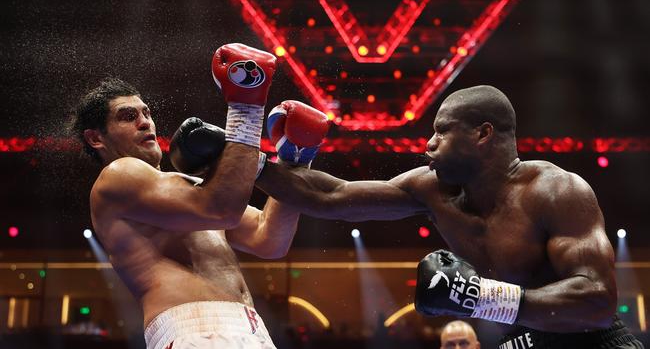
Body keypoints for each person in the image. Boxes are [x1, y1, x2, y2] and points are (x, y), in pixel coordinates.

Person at [255, 85, 644, 348]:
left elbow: (598, 300)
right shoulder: (432, 190)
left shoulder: (555, 190)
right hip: (527, 339)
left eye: (442, 132)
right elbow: (331, 195)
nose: (428, 143)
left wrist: (482, 298)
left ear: (482, 133)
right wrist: (239, 156)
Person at [71, 43, 326, 349]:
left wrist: (295, 160)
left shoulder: (189, 187)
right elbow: (221, 210)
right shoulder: (118, 177)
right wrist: (246, 108)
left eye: (146, 113)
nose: (144, 122)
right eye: (127, 116)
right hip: (195, 330)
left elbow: (269, 239)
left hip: (252, 330)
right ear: (96, 138)